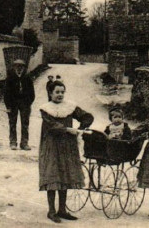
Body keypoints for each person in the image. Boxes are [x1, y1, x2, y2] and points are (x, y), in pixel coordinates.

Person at [39, 77, 94, 223]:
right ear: (50, 93)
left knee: (65, 175)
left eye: (62, 92)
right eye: (57, 92)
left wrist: (81, 128)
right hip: (51, 145)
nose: (60, 95)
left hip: (68, 146)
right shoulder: (46, 109)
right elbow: (51, 126)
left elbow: (87, 116)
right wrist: (68, 129)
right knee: (52, 175)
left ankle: (62, 210)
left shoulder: (70, 106)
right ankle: (51, 211)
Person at [4, 58, 35, 150]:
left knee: (25, 124)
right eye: (17, 66)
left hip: (24, 103)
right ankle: (13, 142)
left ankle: (24, 143)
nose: (19, 68)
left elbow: (32, 93)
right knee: (12, 123)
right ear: (14, 67)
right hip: (13, 103)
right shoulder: (10, 78)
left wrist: (28, 103)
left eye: (21, 66)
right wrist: (8, 106)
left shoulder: (27, 78)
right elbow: (6, 93)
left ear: (24, 68)